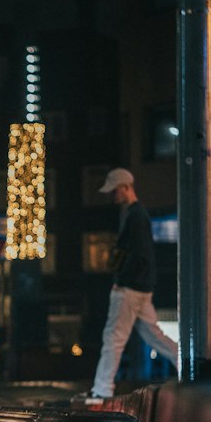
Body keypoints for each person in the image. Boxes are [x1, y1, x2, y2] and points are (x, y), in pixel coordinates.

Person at [77, 168, 179, 402]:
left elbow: (136, 255)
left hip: (129, 288)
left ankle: (102, 389)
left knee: (114, 337)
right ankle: (186, 364)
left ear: (125, 187)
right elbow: (143, 255)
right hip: (142, 287)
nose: (112, 197)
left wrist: (121, 281)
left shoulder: (134, 216)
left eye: (114, 192)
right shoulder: (138, 215)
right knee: (154, 335)